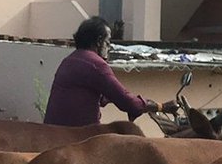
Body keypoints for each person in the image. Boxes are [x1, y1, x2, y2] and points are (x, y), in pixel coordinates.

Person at [44, 16, 177, 127]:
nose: (109, 48)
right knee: (128, 133)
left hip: (54, 131)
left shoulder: (69, 60)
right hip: (79, 137)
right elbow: (130, 104)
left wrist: (118, 97)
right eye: (107, 43)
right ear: (98, 42)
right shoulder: (96, 64)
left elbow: (104, 97)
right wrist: (161, 107)